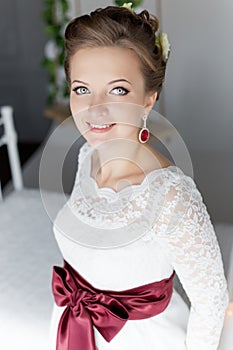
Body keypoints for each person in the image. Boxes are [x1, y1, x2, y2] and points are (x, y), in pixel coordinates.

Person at [49, 5, 229, 350]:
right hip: (73, 327)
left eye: (118, 90)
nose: (95, 109)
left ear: (149, 99)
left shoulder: (171, 196)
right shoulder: (89, 155)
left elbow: (211, 301)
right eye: (82, 89)